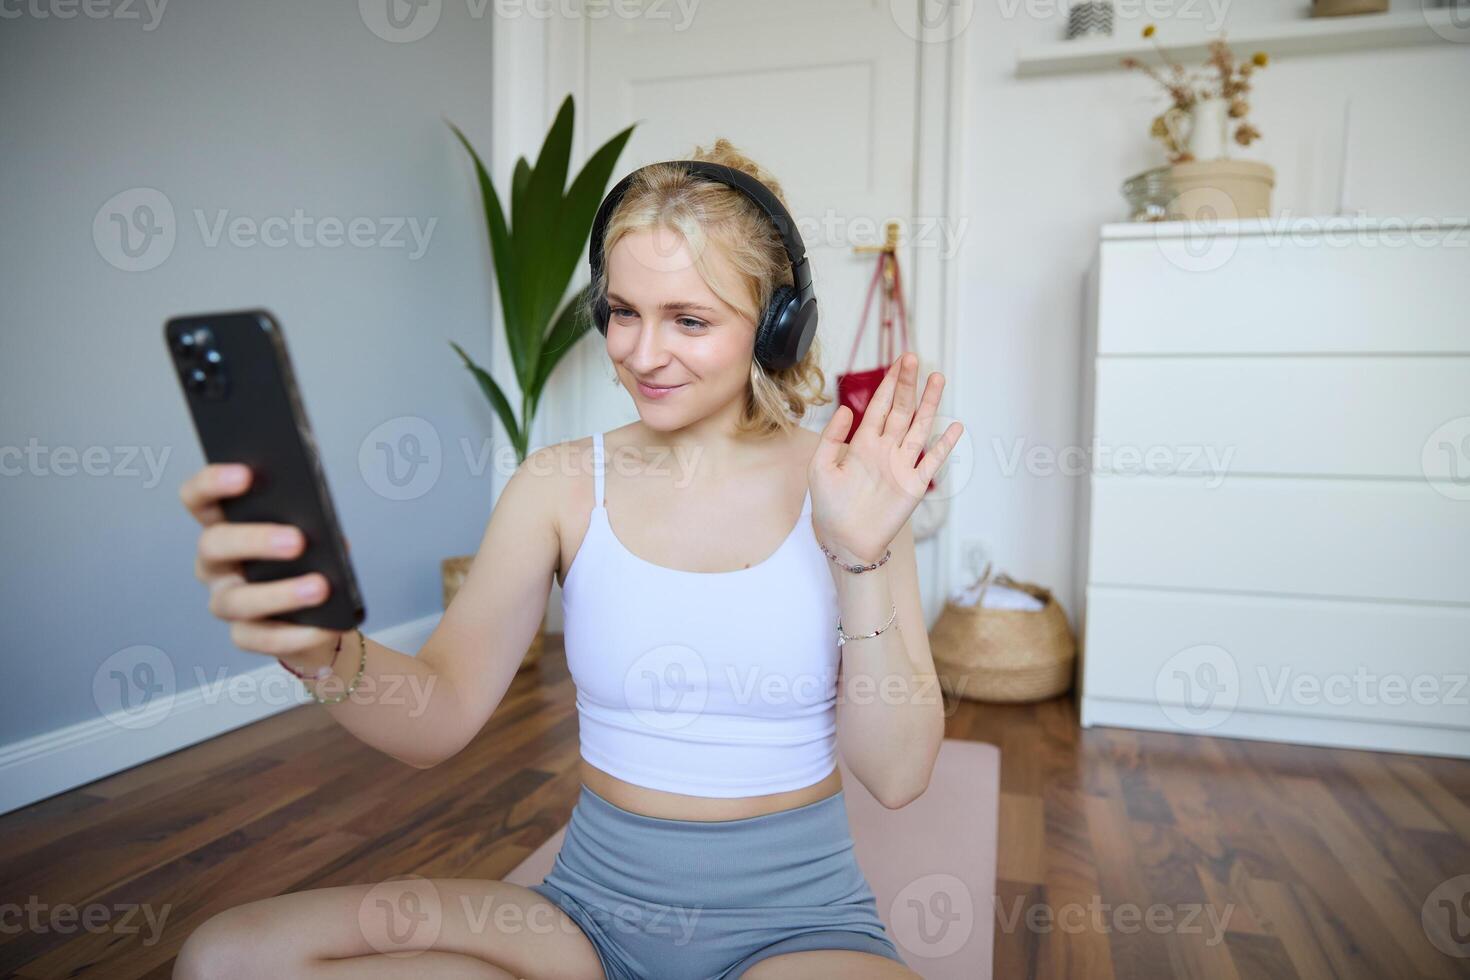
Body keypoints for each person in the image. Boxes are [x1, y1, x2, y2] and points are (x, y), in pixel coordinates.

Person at [173, 139, 963, 979]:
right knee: (226, 957)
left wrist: (860, 556)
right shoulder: (557, 484)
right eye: (623, 311)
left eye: (689, 320)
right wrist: (322, 651)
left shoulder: (847, 490)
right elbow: (438, 715)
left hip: (797, 927)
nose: (641, 353)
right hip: (585, 917)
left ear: (775, 325)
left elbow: (900, 773)